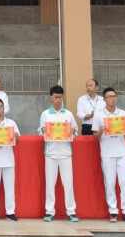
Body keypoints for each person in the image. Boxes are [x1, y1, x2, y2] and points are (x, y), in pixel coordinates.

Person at [93, 87, 125, 223]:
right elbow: (95, 137)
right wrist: (101, 131)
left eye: (115, 96)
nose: (113, 99)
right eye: (110, 97)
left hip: (122, 152)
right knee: (110, 182)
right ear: (104, 99)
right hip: (107, 153)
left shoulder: (124, 114)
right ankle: (113, 212)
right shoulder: (99, 115)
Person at [39, 85, 79, 222]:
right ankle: (49, 212)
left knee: (68, 184)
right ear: (51, 97)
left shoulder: (68, 114)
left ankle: (71, 212)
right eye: (56, 97)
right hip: (50, 154)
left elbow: (76, 130)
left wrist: (73, 131)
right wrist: (43, 130)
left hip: (66, 154)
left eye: (60, 97)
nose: (58, 100)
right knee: (50, 185)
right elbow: (40, 131)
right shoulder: (45, 114)